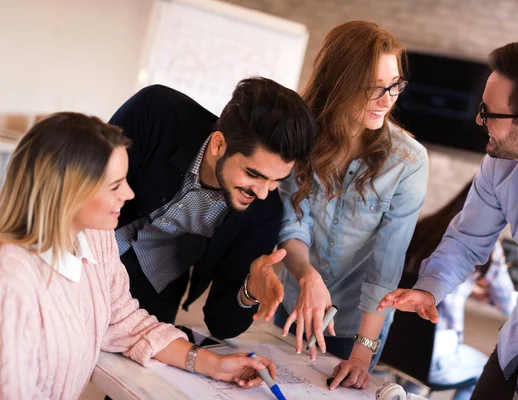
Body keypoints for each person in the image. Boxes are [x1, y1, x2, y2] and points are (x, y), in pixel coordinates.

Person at [377, 39, 518, 399]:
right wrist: (429, 289)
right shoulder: (500, 163)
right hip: (515, 344)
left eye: (488, 113)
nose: (478, 120)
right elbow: (467, 240)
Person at [0, 113, 276, 399]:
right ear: (69, 191)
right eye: (115, 185)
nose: (130, 194)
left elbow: (124, 321)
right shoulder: (12, 280)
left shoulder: (95, 237)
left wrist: (214, 364)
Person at [275, 21, 429, 390]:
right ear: (338, 82)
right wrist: (306, 275)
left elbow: (386, 266)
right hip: (296, 300)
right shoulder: (300, 138)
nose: (387, 100)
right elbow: (292, 223)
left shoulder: (408, 161)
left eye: (394, 86)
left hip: (359, 324)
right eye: (373, 88)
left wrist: (361, 354)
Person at [108, 77, 316, 338]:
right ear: (219, 144)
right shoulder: (155, 111)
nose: (263, 192)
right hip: (90, 247)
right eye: (254, 174)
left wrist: (249, 290)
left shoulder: (265, 212)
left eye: (276, 181)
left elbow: (221, 324)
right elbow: (88, 187)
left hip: (155, 284)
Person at [404, 181, 516, 400]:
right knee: (486, 373)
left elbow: (426, 275)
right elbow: (509, 306)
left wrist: (469, 289)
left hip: (398, 345)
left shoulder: (424, 226)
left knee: (414, 373)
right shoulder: (491, 250)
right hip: (434, 357)